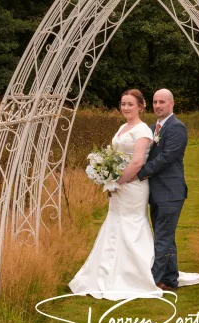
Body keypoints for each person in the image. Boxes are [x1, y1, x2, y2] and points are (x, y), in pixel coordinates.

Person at [68, 89, 161, 300]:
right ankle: (106, 269)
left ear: (140, 106)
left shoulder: (143, 130)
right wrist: (106, 174)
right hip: (118, 185)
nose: (126, 108)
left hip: (133, 186)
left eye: (130, 104)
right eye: (123, 104)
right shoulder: (122, 127)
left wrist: (117, 180)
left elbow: (137, 162)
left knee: (131, 223)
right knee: (114, 221)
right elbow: (114, 155)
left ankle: (135, 274)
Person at [118, 88, 187, 291]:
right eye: (156, 102)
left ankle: (150, 282)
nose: (158, 105)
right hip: (155, 192)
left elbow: (166, 157)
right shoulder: (151, 128)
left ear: (172, 104)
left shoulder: (177, 128)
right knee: (165, 236)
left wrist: (138, 173)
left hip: (171, 191)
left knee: (163, 237)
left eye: (162, 102)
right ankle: (170, 279)